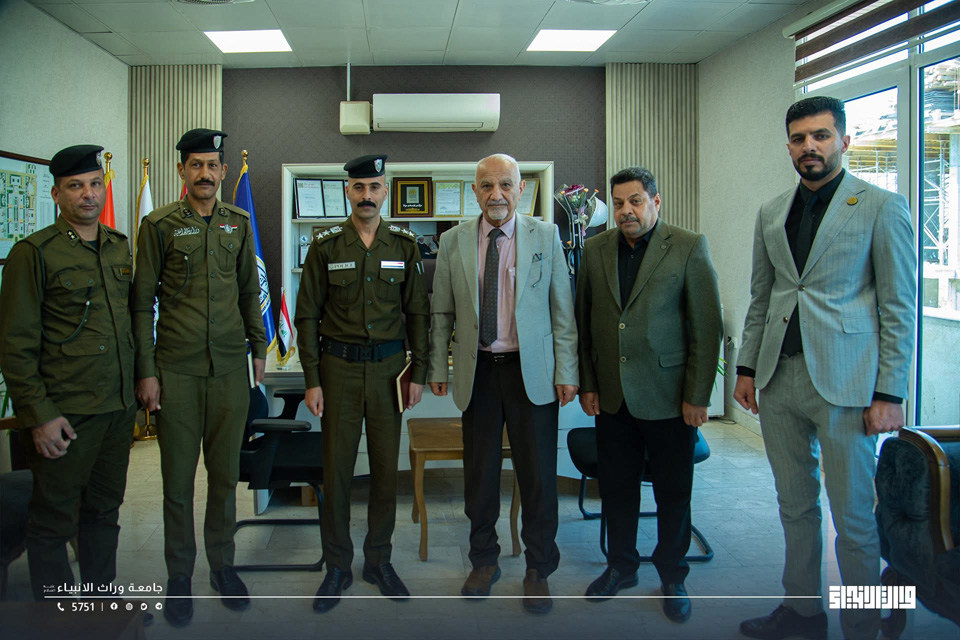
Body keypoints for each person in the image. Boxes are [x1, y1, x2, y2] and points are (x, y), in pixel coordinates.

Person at [734, 96, 916, 640]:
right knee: (795, 507)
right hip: (779, 378)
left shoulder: (883, 206)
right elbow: (763, 296)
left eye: (820, 135)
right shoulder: (772, 212)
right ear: (788, 146)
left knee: (855, 517)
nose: (808, 147)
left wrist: (890, 393)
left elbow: (899, 307)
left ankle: (863, 625)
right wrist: (746, 368)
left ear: (844, 140)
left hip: (849, 385)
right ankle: (802, 612)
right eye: (798, 138)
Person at [427, 153, 578, 614]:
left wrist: (567, 372)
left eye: (506, 185)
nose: (497, 195)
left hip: (532, 373)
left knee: (538, 477)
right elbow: (441, 313)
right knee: (480, 475)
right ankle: (484, 560)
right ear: (475, 191)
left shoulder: (545, 236)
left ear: (520, 189)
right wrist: (437, 368)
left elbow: (562, 312)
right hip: (479, 372)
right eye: (487, 186)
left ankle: (539, 568)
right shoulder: (452, 241)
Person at [132, 128, 267, 627]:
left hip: (230, 367)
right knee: (177, 482)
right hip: (177, 371)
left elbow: (249, 290)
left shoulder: (238, 222)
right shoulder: (159, 225)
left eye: (212, 165)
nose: (205, 174)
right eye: (196, 165)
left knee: (225, 477)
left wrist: (258, 349)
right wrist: (146, 371)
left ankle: (223, 567)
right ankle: (179, 576)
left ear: (224, 171)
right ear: (182, 170)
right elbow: (141, 303)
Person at [574, 166, 722, 623]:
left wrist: (698, 396)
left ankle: (673, 576)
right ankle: (621, 567)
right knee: (617, 490)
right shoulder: (596, 249)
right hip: (613, 398)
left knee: (673, 493)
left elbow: (706, 327)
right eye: (619, 203)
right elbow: (584, 322)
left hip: (670, 397)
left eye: (635, 201)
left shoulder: (689, 246)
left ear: (656, 202)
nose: (626, 211)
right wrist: (589, 383)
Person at [0, 145, 141, 614]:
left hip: (116, 409)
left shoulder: (118, 245)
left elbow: (127, 326)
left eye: (95, 184)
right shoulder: (33, 254)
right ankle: (57, 619)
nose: (88, 194)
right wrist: (39, 416)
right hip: (65, 414)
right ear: (57, 193)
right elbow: (15, 346)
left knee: (103, 512)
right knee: (53, 522)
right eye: (76, 186)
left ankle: (98, 607)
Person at [295, 154, 429, 613]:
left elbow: (417, 312)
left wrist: (419, 372)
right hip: (338, 370)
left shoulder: (405, 245)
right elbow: (307, 316)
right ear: (347, 191)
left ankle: (379, 561)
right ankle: (337, 565)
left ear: (385, 190)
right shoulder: (325, 246)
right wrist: (312, 379)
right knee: (336, 471)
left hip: (390, 372)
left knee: (386, 472)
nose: (366, 196)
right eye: (359, 187)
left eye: (374, 187)